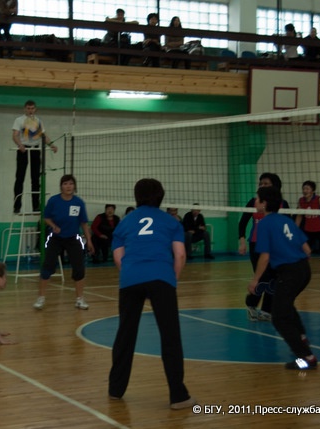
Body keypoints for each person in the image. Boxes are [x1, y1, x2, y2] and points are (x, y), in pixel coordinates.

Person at [108, 178, 196, 410]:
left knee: (125, 334)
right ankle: (178, 396)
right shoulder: (171, 221)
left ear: (137, 196)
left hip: (130, 278)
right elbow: (180, 255)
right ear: (160, 196)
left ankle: (115, 389)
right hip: (161, 278)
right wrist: (172, 279)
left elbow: (118, 256)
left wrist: (130, 273)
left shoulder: (125, 222)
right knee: (170, 336)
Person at [247, 186, 317, 370]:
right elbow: (307, 250)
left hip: (290, 273)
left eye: (257, 199)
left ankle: (306, 357)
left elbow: (265, 256)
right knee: (285, 305)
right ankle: (301, 336)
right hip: (304, 270)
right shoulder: (286, 220)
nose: (255, 202)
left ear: (264, 203)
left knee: (278, 317)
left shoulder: (264, 224)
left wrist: (255, 280)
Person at [33, 174, 94, 310]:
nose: (68, 186)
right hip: (56, 238)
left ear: (74, 186)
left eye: (71, 184)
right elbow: (46, 218)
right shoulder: (54, 201)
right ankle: (41, 298)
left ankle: (79, 299)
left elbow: (84, 223)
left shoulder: (78, 202)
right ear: (61, 186)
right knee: (47, 267)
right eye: (65, 184)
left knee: (79, 269)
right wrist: (53, 226)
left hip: (73, 238)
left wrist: (89, 240)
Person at [238, 173, 289, 322]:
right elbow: (242, 223)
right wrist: (242, 242)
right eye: (261, 183)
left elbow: (287, 226)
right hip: (257, 244)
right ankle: (251, 304)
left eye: (266, 183)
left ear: (275, 185)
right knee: (263, 277)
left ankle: (267, 310)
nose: (262, 186)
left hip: (276, 246)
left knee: (275, 278)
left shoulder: (282, 204)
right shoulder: (254, 202)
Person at [12, 100, 58, 214]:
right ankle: (17, 206)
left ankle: (36, 206)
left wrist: (51, 145)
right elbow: (15, 135)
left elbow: (44, 136)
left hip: (35, 150)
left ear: (35, 109)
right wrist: (20, 144)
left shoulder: (38, 121)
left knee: (36, 179)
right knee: (20, 178)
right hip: (23, 150)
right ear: (25, 109)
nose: (30, 110)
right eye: (28, 108)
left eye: (32, 108)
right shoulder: (19, 120)